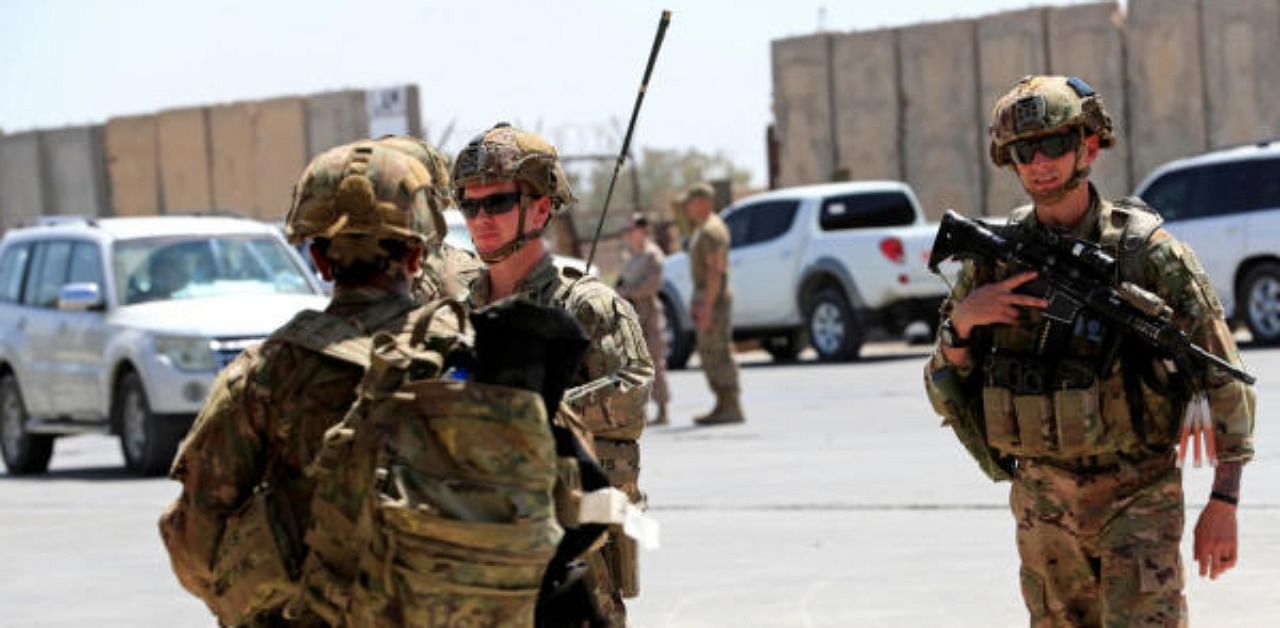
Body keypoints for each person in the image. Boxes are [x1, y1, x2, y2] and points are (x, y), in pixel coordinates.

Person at [924, 75, 1256, 627]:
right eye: (1023, 151)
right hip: (1042, 508)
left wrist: (1224, 502)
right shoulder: (994, 260)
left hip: (1137, 496)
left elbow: (1227, 384)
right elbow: (943, 389)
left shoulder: (1151, 257)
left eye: (1054, 144)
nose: (1039, 162)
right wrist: (962, 322)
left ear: (1090, 147)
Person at [158, 138, 455, 626]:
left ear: (319, 260)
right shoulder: (475, 354)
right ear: (417, 256)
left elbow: (194, 544)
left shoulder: (266, 372)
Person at [452, 122, 654, 626]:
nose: (482, 218)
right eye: (470, 205)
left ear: (540, 208)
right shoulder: (456, 312)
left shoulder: (586, 305)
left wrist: (534, 411)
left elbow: (630, 392)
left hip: (571, 545)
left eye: (497, 202)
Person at [682, 183, 744, 425]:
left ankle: (730, 405)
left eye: (691, 201)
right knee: (709, 350)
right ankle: (722, 404)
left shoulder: (711, 230)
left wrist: (707, 306)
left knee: (718, 350)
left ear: (704, 202)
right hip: (708, 297)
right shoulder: (704, 229)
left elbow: (715, 271)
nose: (687, 207)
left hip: (714, 299)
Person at [617, 212, 670, 425]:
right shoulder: (629, 256)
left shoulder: (652, 255)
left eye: (632, 229)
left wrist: (629, 291)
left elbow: (654, 283)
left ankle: (663, 407)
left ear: (643, 231)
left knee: (654, 359)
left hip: (648, 310)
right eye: (627, 230)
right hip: (631, 312)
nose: (628, 234)